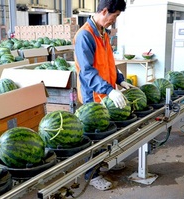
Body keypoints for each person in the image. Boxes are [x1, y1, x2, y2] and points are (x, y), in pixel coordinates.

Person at [73, 0, 134, 191]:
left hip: (106, 94)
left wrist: (120, 80)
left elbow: (109, 62)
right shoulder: (85, 35)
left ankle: (106, 162)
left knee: (107, 133)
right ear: (105, 11)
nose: (113, 22)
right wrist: (109, 89)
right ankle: (92, 174)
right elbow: (87, 72)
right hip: (93, 96)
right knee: (94, 137)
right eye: (114, 17)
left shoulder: (103, 33)